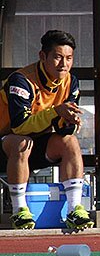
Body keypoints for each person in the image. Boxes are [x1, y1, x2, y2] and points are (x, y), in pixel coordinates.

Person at [0, 29, 93, 232]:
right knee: (22, 141)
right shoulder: (21, 80)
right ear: (43, 56)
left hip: (35, 145)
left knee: (69, 141)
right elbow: (19, 126)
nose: (64, 64)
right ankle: (19, 211)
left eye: (69, 58)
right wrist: (56, 111)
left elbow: (61, 128)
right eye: (58, 57)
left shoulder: (71, 81)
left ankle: (74, 209)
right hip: (7, 144)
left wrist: (69, 121)